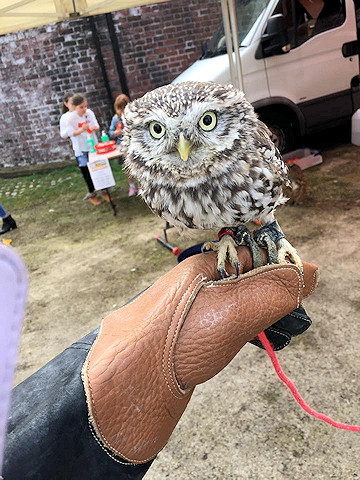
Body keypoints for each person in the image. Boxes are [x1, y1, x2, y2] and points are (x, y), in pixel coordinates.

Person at [67, 94, 109, 206]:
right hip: (81, 148)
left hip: (93, 145)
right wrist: (81, 129)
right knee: (86, 171)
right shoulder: (71, 118)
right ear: (75, 107)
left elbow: (96, 125)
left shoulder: (89, 113)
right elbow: (70, 133)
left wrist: (95, 127)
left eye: (85, 106)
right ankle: (92, 193)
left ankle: (104, 190)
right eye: (81, 107)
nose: (84, 109)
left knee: (99, 167)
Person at [109, 94, 137, 197]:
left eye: (122, 109)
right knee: (128, 168)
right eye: (118, 109)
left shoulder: (132, 116)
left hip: (133, 145)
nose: (120, 112)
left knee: (138, 166)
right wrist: (115, 133)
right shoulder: (116, 119)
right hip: (121, 146)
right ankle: (132, 186)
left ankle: (142, 186)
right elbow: (111, 132)